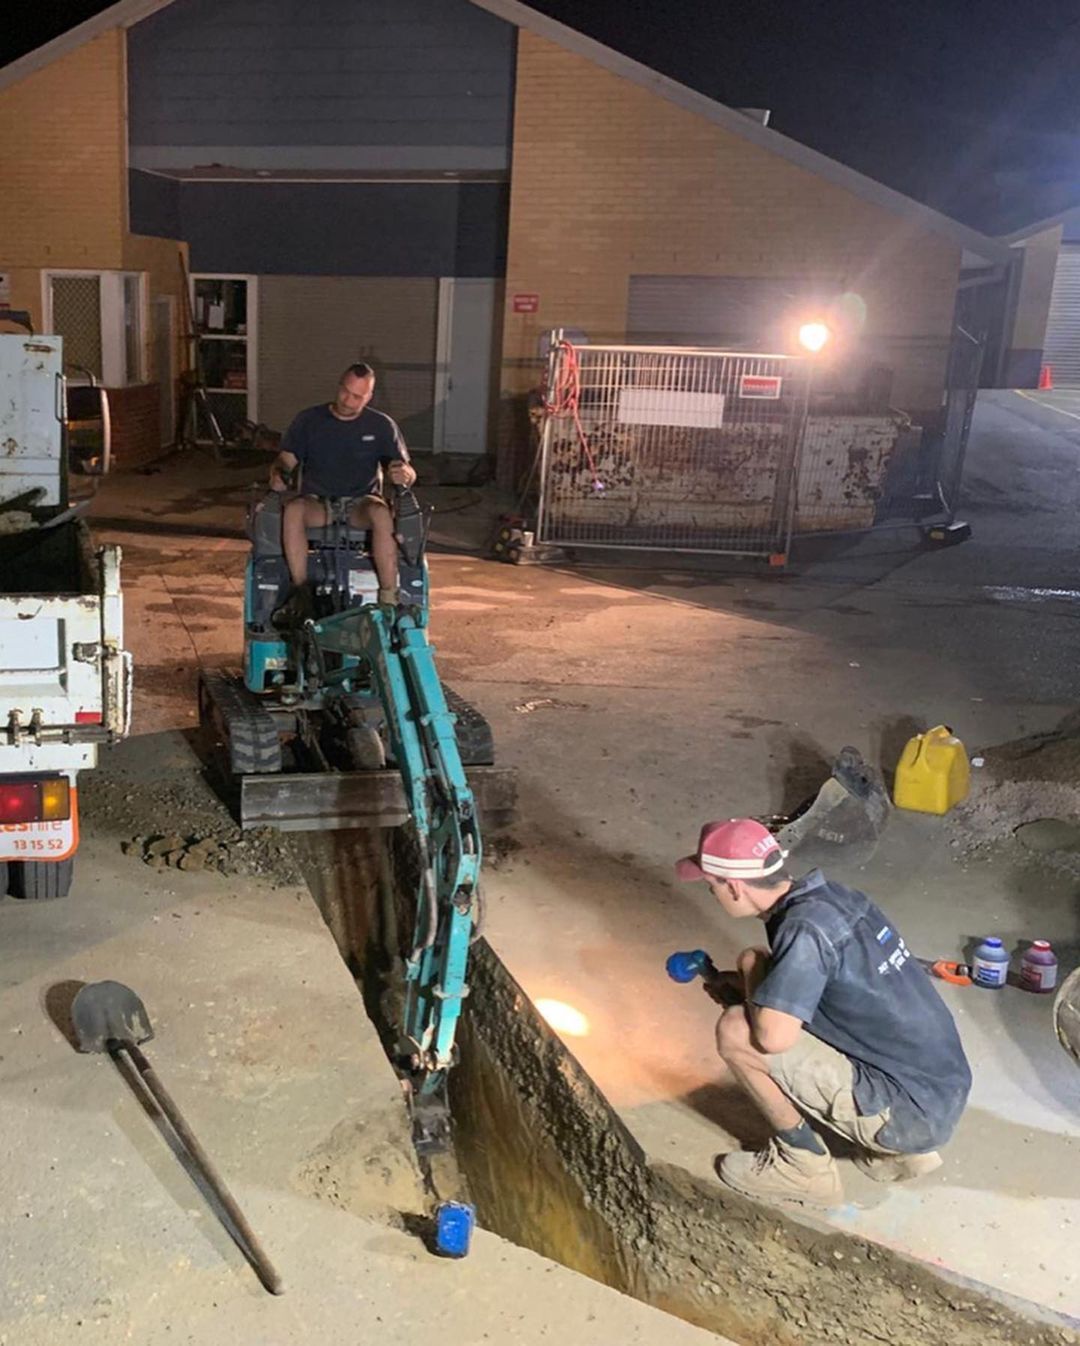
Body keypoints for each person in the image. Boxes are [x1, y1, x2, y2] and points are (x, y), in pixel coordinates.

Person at [675, 817, 972, 1209]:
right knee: (757, 966)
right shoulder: (835, 898)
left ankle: (803, 1167)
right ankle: (900, 1155)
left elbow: (772, 1039)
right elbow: (840, 988)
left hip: (908, 1114)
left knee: (737, 1031)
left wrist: (749, 993)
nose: (712, 893)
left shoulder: (803, 931)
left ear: (733, 887)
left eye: (712, 885)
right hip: (942, 1088)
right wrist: (750, 985)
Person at [268, 362, 416, 621]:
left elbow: (406, 469)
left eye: (357, 396)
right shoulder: (309, 420)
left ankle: (390, 598)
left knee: (382, 514)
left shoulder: (381, 425)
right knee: (293, 509)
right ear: (339, 386)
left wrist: (405, 475)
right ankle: (301, 593)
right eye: (345, 392)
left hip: (361, 503)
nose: (349, 401)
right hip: (318, 502)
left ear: (369, 396)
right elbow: (285, 460)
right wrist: (279, 474)